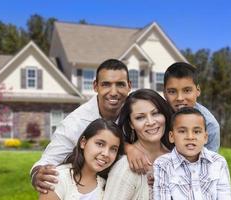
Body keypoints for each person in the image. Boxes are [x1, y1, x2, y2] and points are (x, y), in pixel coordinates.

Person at [30, 59, 131, 193]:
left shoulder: (137, 111)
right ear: (95, 86)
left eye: (120, 84)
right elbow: (49, 160)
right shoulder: (75, 122)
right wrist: (38, 174)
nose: (113, 92)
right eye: (106, 84)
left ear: (129, 86)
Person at [103, 89, 174, 200]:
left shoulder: (178, 158)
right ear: (131, 124)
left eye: (155, 113)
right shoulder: (125, 167)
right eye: (140, 117)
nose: (150, 122)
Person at [153, 107, 231, 199]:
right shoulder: (163, 164)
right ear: (172, 136)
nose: (190, 137)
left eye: (197, 131)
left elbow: (226, 196)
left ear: (205, 137)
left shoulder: (218, 162)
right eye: (182, 131)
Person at [39, 118, 125, 200]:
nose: (106, 154)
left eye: (113, 149)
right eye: (100, 144)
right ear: (83, 143)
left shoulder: (107, 185)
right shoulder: (57, 178)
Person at [163, 62, 220, 152]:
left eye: (187, 90)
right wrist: (132, 148)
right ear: (165, 93)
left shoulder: (210, 125)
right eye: (172, 92)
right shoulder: (156, 113)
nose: (180, 98)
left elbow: (210, 162)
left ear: (198, 91)